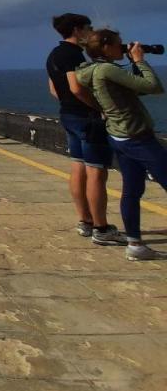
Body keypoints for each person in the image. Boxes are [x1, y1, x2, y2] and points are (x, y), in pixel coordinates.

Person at [76, 30, 167, 261]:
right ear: (105, 47)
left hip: (118, 136)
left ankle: (135, 245)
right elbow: (154, 87)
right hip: (137, 138)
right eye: (118, 44)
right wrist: (139, 60)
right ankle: (135, 244)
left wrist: (133, 65)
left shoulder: (93, 70)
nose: (122, 47)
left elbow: (134, 89)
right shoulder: (107, 70)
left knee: (132, 190)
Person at [46, 13, 122, 245]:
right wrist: (101, 108)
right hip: (87, 119)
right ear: (78, 30)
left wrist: (69, 103)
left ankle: (85, 221)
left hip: (68, 115)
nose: (91, 32)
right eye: (88, 28)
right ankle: (101, 227)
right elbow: (76, 88)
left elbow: (53, 89)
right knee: (97, 172)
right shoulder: (73, 55)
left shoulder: (54, 55)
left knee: (78, 166)